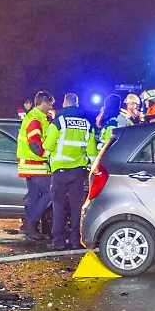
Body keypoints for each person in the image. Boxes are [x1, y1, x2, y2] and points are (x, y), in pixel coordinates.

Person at [43, 93, 98, 250]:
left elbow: (47, 146)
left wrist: (47, 157)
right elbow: (92, 152)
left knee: (58, 206)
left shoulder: (59, 122)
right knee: (76, 207)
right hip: (78, 172)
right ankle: (75, 240)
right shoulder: (86, 124)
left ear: (65, 104)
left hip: (59, 171)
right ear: (77, 104)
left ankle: (58, 241)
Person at [16, 91, 54, 241]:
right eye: (49, 104)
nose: (50, 107)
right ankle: (31, 222)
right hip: (35, 164)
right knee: (51, 193)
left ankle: (30, 227)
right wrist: (48, 156)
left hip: (29, 164)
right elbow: (35, 145)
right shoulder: (35, 119)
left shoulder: (36, 117)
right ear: (43, 103)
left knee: (33, 196)